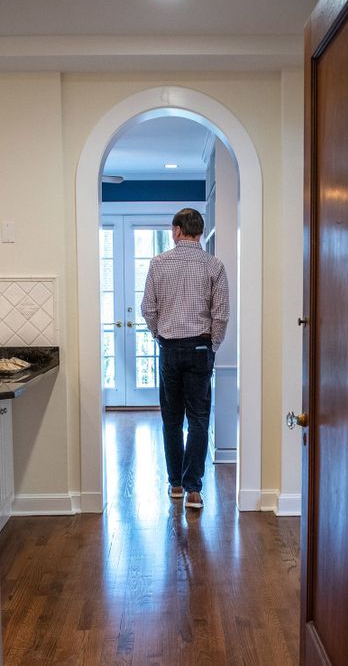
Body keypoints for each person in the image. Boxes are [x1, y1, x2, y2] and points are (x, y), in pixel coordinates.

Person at [141, 207, 230, 509]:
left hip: (169, 348)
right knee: (199, 419)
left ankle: (175, 484)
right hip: (200, 349)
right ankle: (194, 489)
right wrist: (213, 345)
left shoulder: (158, 264)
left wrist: (158, 335)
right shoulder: (214, 266)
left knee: (171, 419)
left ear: (177, 230)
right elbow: (221, 314)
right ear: (200, 232)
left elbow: (148, 309)